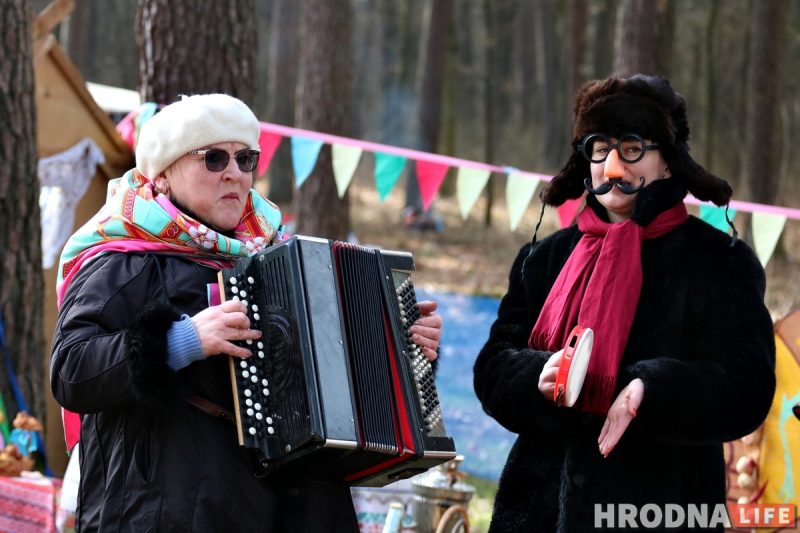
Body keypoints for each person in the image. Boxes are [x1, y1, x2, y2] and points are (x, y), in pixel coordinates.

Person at [49, 94, 443, 532]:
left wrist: (403, 350)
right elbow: (71, 372)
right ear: (161, 177)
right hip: (168, 507)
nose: (234, 173)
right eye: (213, 158)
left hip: (292, 508)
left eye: (245, 158)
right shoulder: (121, 260)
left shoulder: (280, 256)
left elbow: (333, 380)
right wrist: (184, 341)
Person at [473, 75, 776, 532]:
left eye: (632, 147)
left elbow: (747, 389)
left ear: (668, 163)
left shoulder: (719, 263)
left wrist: (650, 387)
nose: (612, 165)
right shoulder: (543, 259)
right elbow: (493, 367)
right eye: (599, 148)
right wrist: (537, 375)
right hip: (536, 512)